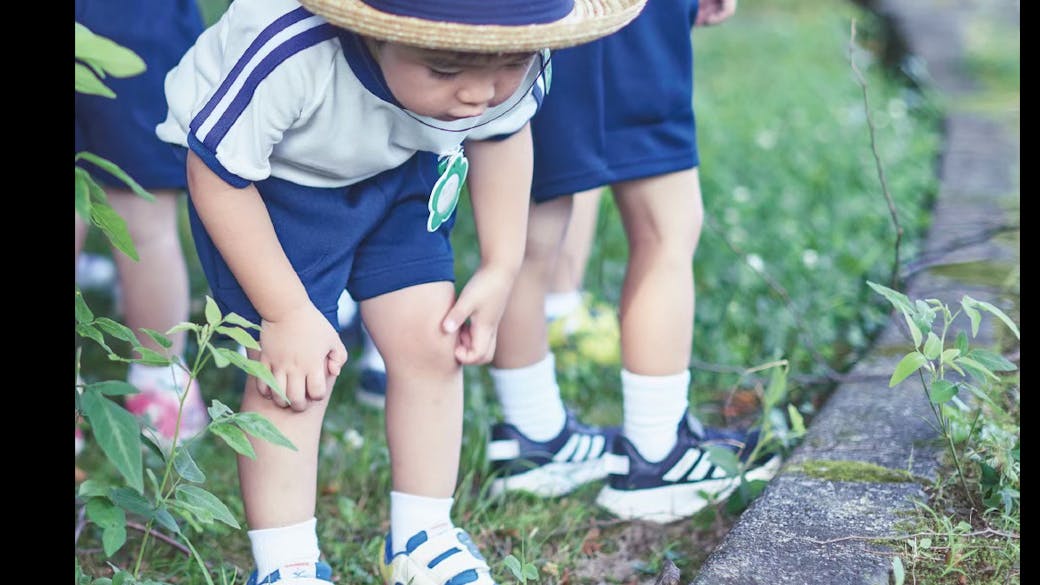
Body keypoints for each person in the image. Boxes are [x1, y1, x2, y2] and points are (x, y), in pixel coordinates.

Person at [154, 1, 645, 584]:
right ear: (373, 33)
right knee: (294, 379)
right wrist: (286, 314)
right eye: (444, 71)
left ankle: (421, 537)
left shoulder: (509, 40)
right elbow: (216, 171)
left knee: (432, 346)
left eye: (508, 68)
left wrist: (500, 265)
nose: (478, 95)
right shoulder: (291, 48)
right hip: (269, 186)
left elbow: (504, 135)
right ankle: (286, 562)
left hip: (403, 164)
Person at [484, 0, 781, 522]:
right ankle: (655, 453)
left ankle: (532, 434)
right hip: (624, 13)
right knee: (665, 226)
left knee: (530, 227)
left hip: (521, 11)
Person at [75, 0, 210, 454]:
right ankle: (159, 383)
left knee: (141, 217)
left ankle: (159, 377)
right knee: (145, 222)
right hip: (138, 21)